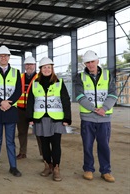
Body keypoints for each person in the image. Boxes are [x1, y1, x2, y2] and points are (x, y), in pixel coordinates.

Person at [75, 50, 117, 183]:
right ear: (85, 64)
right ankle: (88, 169)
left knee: (104, 145)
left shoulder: (108, 75)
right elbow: (80, 96)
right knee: (87, 145)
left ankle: (106, 171)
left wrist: (104, 109)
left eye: (92, 61)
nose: (90, 65)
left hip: (104, 118)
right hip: (88, 117)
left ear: (97, 61)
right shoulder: (79, 77)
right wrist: (94, 109)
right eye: (87, 62)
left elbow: (113, 94)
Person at [27, 57, 71, 182]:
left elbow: (65, 100)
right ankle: (47, 166)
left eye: (49, 67)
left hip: (56, 118)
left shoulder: (59, 82)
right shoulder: (35, 83)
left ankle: (56, 168)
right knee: (44, 144)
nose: (46, 69)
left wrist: (67, 118)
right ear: (40, 69)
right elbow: (30, 101)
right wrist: (30, 117)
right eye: (44, 67)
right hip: (41, 118)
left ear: (52, 69)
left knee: (56, 144)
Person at [0, 45, 22, 177]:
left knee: (10, 141)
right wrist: (1, 102)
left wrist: (8, 103)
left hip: (11, 110)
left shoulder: (16, 72)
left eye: (5, 56)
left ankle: (13, 167)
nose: (3, 58)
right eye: (1, 56)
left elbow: (18, 91)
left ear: (9, 57)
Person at [16, 56, 42, 159]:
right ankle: (22, 152)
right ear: (24, 66)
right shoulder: (20, 77)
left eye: (31, 64)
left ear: (35, 66)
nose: (29, 66)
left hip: (35, 110)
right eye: (27, 65)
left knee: (39, 132)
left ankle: (43, 154)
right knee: (22, 132)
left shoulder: (40, 77)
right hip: (20, 109)